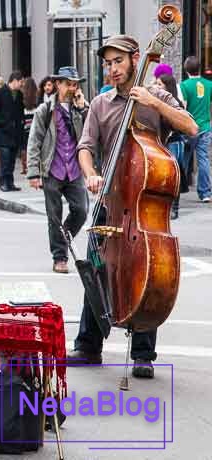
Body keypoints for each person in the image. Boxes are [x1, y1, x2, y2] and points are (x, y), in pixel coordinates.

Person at [68, 35, 198, 378]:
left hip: (141, 208)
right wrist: (92, 174)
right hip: (111, 200)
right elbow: (85, 146)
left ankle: (142, 353)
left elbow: (191, 126)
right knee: (96, 269)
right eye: (107, 63)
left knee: (146, 267)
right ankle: (88, 344)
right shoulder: (99, 104)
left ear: (136, 59)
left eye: (118, 62)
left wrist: (155, 104)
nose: (112, 69)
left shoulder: (156, 95)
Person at [26, 67, 89, 274]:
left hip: (75, 168)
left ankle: (63, 238)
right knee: (54, 216)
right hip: (52, 169)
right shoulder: (45, 110)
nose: (73, 88)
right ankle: (59, 257)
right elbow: (34, 141)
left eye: (75, 84)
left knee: (81, 210)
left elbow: (92, 132)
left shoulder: (80, 108)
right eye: (69, 83)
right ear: (58, 84)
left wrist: (83, 108)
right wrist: (34, 173)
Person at [180, 56, 212, 203]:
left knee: (183, 160)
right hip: (205, 127)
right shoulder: (209, 84)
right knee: (203, 160)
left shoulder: (184, 86)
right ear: (199, 68)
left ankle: (178, 191)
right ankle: (205, 193)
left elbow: (184, 108)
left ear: (186, 69)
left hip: (190, 129)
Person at [157, 73, 188, 220]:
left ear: (167, 87)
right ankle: (165, 207)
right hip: (162, 144)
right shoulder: (156, 102)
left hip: (174, 143)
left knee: (173, 177)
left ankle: (174, 208)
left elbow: (182, 126)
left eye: (160, 84)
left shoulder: (175, 103)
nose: (157, 87)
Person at [0, 71, 25, 192]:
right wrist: (3, 123)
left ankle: (10, 183)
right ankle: (3, 183)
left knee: (12, 160)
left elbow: (20, 111)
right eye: (20, 82)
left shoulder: (19, 95)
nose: (22, 84)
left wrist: (21, 123)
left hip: (15, 133)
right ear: (14, 80)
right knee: (5, 159)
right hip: (4, 133)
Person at [19, 77, 38, 175]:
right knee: (33, 147)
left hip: (25, 125)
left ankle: (24, 167)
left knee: (24, 147)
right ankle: (32, 166)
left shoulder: (22, 97)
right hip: (33, 125)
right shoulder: (36, 97)